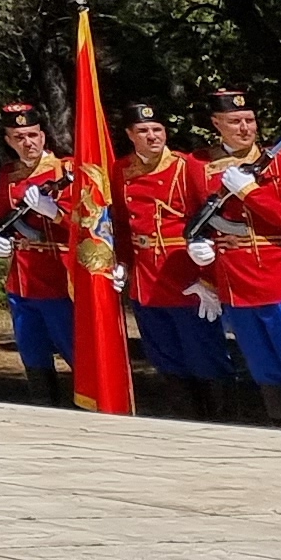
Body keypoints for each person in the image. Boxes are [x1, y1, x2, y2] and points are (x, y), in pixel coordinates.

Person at [186, 86, 281, 427]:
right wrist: (202, 263)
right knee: (264, 366)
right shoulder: (199, 165)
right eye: (235, 121)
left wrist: (250, 192)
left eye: (249, 119)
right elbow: (196, 218)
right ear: (216, 123)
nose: (245, 128)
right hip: (236, 283)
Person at [115, 102, 234, 419]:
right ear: (130, 135)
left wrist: (210, 278)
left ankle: (221, 423)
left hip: (188, 277)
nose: (152, 136)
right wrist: (123, 263)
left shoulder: (186, 165)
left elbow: (209, 220)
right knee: (166, 357)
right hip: (147, 280)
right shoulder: (120, 171)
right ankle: (186, 422)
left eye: (157, 129)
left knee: (205, 356)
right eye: (143, 131)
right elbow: (122, 226)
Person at [0, 102, 78, 409]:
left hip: (59, 276)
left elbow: (89, 225)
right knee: (32, 352)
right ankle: (44, 410)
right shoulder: (9, 175)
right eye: (18, 137)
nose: (27, 143)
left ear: (43, 135)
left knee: (76, 351)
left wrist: (54, 212)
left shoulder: (65, 170)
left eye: (32, 135)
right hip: (22, 279)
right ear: (8, 140)